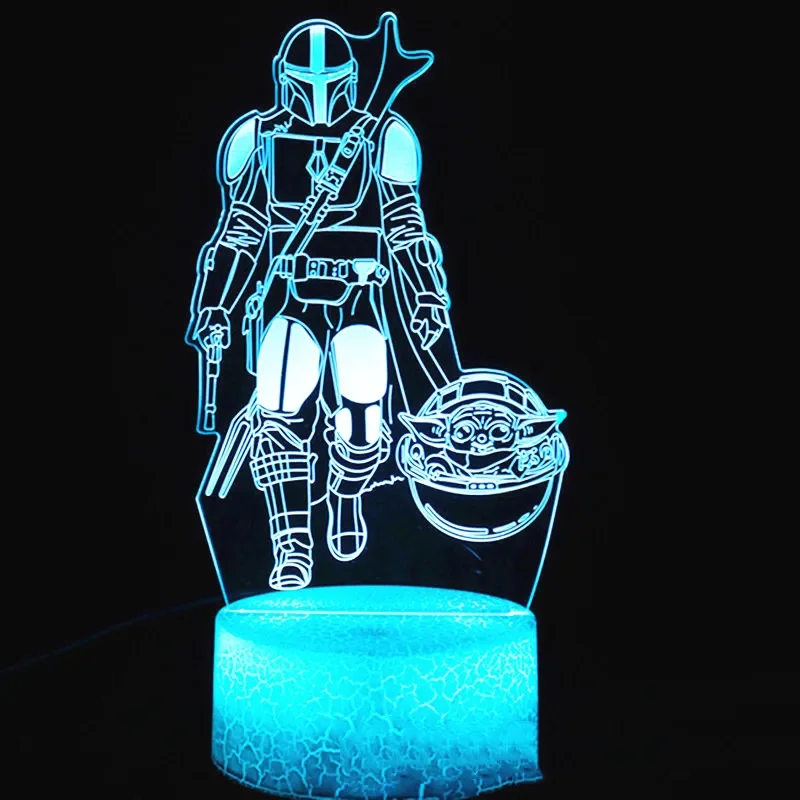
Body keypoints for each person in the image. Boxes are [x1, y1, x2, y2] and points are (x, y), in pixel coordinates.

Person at [187, 18, 459, 590]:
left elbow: (406, 226)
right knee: (278, 409)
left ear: (350, 80)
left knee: (364, 419)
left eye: (328, 81)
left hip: (360, 295)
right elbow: (240, 231)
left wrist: (426, 294)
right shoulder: (257, 138)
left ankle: (346, 492)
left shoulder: (383, 136)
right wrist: (216, 305)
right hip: (293, 295)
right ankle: (292, 545)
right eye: (306, 80)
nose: (317, 94)